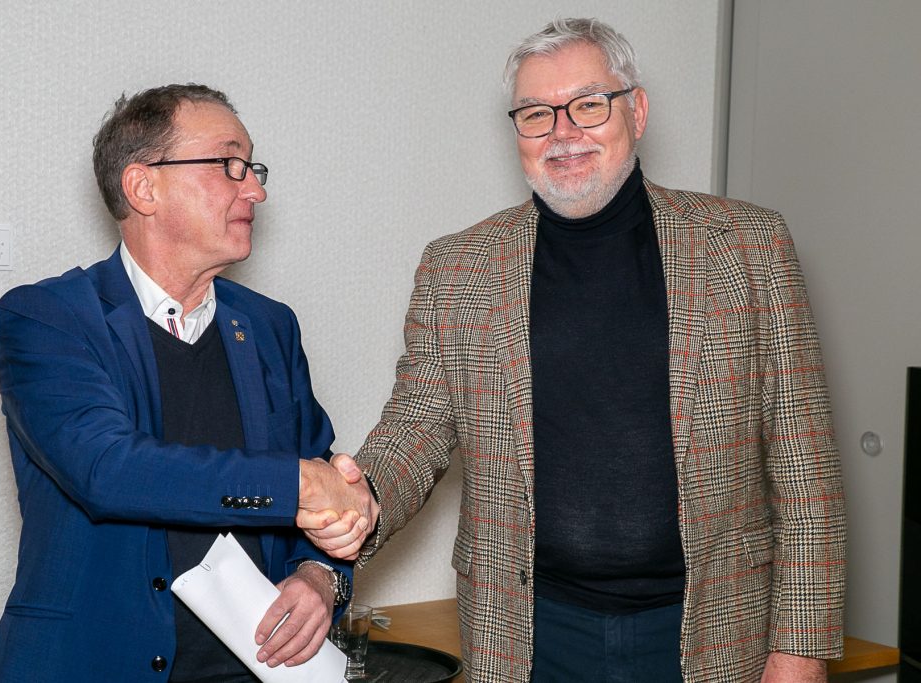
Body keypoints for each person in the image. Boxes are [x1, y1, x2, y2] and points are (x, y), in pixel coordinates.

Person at [307, 18, 846, 683]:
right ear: (517, 133)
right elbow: (416, 428)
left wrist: (800, 648)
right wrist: (360, 498)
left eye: (588, 104)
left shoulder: (749, 247)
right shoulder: (458, 269)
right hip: (529, 638)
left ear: (637, 111)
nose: (563, 132)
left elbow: (806, 470)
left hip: (714, 633)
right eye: (537, 113)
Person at [0, 84, 374, 682]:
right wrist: (298, 486)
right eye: (229, 165)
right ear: (144, 187)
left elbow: (321, 484)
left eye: (254, 167)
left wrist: (320, 576)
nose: (256, 189)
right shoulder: (47, 318)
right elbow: (109, 469)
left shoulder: (270, 326)